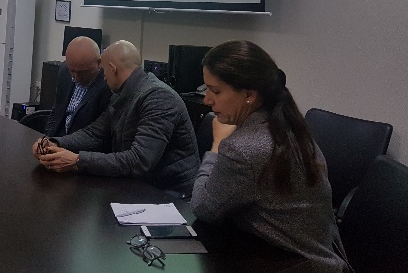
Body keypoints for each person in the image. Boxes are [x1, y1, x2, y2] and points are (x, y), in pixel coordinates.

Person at [191, 40, 348, 272]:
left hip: (293, 265)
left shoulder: (243, 148)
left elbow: (204, 207)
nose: (206, 100)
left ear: (249, 95)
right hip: (321, 259)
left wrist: (216, 147)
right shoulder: (289, 125)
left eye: (215, 91)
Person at [32, 40, 200, 197]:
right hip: (142, 185)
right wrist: (56, 143)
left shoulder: (158, 98)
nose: (103, 78)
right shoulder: (122, 93)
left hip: (170, 193)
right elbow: (95, 133)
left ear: (113, 68)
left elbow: (139, 161)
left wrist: (77, 160)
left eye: (104, 71)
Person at [44, 36, 112, 137]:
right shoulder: (64, 71)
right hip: (59, 140)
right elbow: (56, 112)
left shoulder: (108, 84)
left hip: (83, 142)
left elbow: (99, 133)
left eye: (82, 72)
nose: (76, 79)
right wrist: (47, 139)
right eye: (72, 71)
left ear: (99, 63)